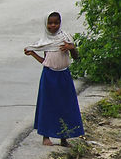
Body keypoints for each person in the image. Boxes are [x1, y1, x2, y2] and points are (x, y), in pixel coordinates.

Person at [24, 11, 84, 146]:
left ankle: (64, 137)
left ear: (60, 23)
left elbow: (75, 56)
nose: (53, 26)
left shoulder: (66, 38)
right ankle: (46, 136)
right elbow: (46, 61)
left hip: (64, 75)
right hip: (49, 75)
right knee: (47, 105)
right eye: (50, 23)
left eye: (56, 23)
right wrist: (33, 53)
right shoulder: (45, 42)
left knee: (65, 105)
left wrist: (71, 48)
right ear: (46, 25)